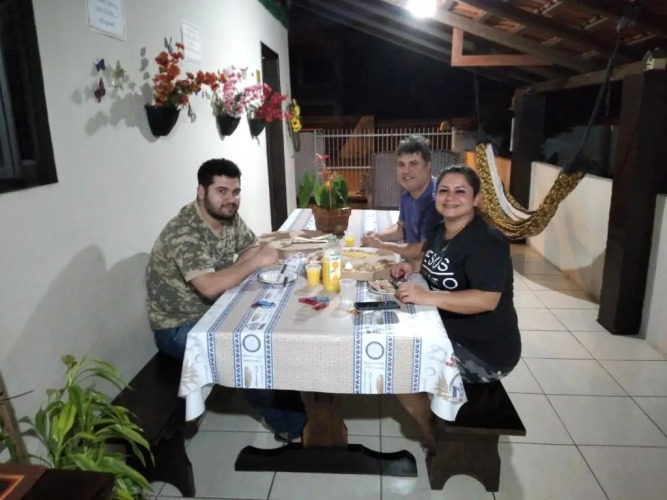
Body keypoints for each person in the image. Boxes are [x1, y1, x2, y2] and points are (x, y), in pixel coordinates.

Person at [146, 158, 306, 443]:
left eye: (235, 191)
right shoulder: (186, 231)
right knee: (248, 351)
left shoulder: (227, 216)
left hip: (216, 308)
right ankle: (293, 428)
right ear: (201, 191)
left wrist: (244, 265)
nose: (231, 199)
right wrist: (253, 263)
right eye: (221, 191)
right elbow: (209, 287)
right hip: (179, 326)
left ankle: (303, 417)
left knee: (273, 332)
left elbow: (250, 247)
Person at [391, 165, 521, 449]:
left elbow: (486, 299)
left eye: (460, 191)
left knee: (400, 367)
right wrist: (410, 267)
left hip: (484, 350)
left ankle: (434, 435)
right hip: (449, 328)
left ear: (477, 199)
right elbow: (433, 264)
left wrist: (428, 297)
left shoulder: (488, 241)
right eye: (444, 191)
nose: (450, 198)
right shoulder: (442, 229)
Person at [361, 134, 441, 262]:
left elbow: (423, 250)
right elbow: (401, 229)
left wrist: (382, 246)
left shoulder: (436, 201)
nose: (406, 171)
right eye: (401, 164)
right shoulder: (407, 194)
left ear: (428, 166)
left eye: (413, 164)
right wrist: (378, 236)